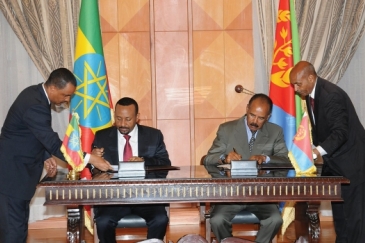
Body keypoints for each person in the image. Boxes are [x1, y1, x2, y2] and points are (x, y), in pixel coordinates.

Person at [0, 68, 113, 243]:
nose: (67, 100)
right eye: (66, 95)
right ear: (53, 88)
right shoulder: (35, 104)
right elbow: (53, 142)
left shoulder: (36, 95)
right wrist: (90, 158)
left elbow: (33, 134)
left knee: (19, 230)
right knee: (13, 234)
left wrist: (46, 155)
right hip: (13, 178)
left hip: (19, 177)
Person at [290, 61, 365, 243]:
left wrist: (315, 153)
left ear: (310, 77)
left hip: (351, 165)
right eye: (294, 85)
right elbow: (320, 130)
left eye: (298, 84)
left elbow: (340, 133)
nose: (295, 89)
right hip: (335, 166)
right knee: (340, 218)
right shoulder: (309, 95)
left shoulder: (331, 95)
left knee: (354, 220)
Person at [204, 93, 289, 243]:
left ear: (268, 117)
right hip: (231, 194)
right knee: (217, 220)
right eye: (252, 115)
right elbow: (209, 159)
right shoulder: (227, 130)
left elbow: (285, 160)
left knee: (275, 220)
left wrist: (266, 158)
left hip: (261, 194)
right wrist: (224, 157)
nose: (254, 121)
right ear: (247, 109)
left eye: (260, 118)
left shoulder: (275, 132)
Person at [91, 97, 171, 242]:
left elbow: (164, 164)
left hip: (146, 195)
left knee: (160, 219)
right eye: (118, 118)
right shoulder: (102, 136)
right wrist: (94, 161)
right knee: (103, 221)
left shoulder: (153, 136)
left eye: (127, 119)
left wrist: (144, 162)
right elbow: (92, 169)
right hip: (113, 197)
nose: (122, 124)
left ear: (137, 118)